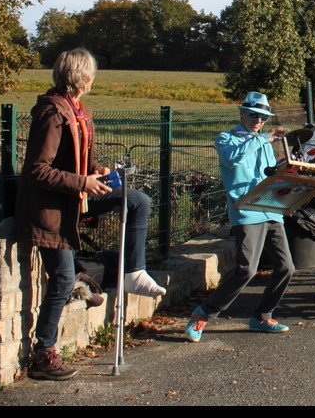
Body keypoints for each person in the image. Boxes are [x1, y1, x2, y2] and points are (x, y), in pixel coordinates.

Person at [16, 47, 166, 381]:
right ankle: (44, 354)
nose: (94, 79)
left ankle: (133, 271)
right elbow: (37, 171)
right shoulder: (52, 114)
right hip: (51, 210)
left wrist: (97, 171)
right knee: (62, 280)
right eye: (92, 73)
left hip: (76, 196)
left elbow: (77, 162)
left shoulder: (78, 111)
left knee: (137, 200)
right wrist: (82, 181)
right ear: (83, 76)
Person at [185, 92, 295, 341]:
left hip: (271, 209)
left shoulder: (262, 142)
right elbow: (232, 159)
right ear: (242, 114)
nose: (258, 121)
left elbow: (269, 174)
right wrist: (264, 139)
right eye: (254, 115)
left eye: (264, 118)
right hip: (246, 212)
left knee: (286, 267)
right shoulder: (226, 138)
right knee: (246, 269)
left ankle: (262, 316)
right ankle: (203, 313)